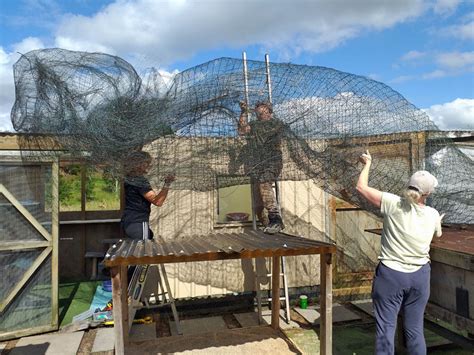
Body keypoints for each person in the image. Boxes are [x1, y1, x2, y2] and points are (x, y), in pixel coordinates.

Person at [357, 150, 444, 355]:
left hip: (391, 276)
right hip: (419, 278)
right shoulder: (432, 215)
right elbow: (436, 236)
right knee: (415, 331)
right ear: (427, 194)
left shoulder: (393, 203)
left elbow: (361, 187)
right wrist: (437, 222)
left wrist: (368, 163)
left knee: (386, 330)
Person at [238, 101, 285, 234]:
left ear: (270, 113)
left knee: (264, 184)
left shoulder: (276, 124)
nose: (260, 115)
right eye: (258, 113)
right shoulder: (254, 125)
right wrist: (243, 112)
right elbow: (242, 130)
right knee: (258, 201)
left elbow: (281, 132)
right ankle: (267, 224)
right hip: (259, 163)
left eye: (263, 113)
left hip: (273, 160)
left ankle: (275, 220)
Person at [121, 150, 175, 240]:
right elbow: (158, 201)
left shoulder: (129, 179)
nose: (148, 165)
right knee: (143, 252)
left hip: (129, 222)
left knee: (141, 246)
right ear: (138, 163)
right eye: (146, 163)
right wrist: (167, 183)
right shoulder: (139, 181)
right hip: (138, 222)